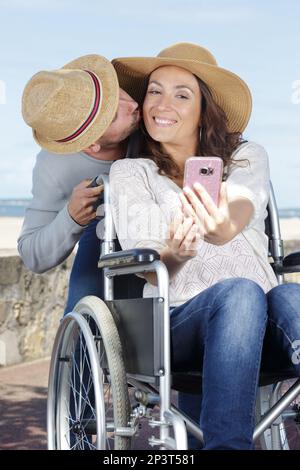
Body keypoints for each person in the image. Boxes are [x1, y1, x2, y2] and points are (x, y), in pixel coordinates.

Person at [109, 42, 300, 450]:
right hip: (179, 319)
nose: (162, 103)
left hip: (265, 324)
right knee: (239, 292)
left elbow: (243, 206)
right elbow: (144, 263)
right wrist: (176, 253)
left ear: (204, 110)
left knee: (292, 295)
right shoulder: (130, 172)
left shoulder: (245, 158)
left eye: (182, 94)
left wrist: (221, 228)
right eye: (154, 91)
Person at [18, 54, 145, 314]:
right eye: (112, 116)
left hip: (164, 226)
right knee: (98, 226)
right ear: (91, 144)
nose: (131, 104)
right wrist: (72, 218)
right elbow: (32, 254)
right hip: (104, 239)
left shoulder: (149, 109)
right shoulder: (55, 166)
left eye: (116, 92)